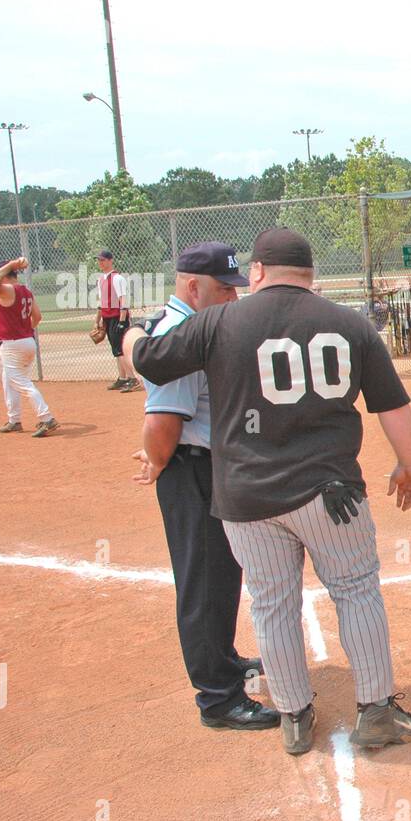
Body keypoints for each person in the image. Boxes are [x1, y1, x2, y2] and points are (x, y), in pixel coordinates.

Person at [124, 227, 411, 754]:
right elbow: (391, 405)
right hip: (330, 493)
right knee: (356, 591)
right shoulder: (349, 323)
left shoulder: (217, 321)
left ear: (259, 272)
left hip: (246, 496)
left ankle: (293, 716)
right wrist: (408, 466)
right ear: (311, 277)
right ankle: (376, 712)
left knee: (271, 604)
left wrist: (128, 334)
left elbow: (148, 360)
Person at [129, 242, 276, 733]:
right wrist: (157, 460)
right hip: (191, 469)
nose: (232, 301)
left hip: (204, 465)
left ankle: (224, 660)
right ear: (193, 287)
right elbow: (165, 420)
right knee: (203, 582)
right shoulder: (182, 335)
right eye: (222, 291)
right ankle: (218, 698)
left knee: (220, 575)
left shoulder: (188, 327)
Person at [0, 256, 58, 438]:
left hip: (13, 344)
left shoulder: (8, 290)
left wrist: (10, 264)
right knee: (9, 381)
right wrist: (24, 330)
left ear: (5, 275)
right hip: (26, 341)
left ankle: (46, 418)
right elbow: (37, 317)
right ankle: (14, 420)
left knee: (21, 383)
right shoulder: (26, 292)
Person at [94, 250, 139, 391]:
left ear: (110, 260)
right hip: (107, 318)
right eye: (99, 260)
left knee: (120, 350)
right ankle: (122, 378)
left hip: (117, 317)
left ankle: (133, 379)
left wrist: (121, 321)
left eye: (103, 260)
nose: (100, 262)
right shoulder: (101, 279)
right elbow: (101, 303)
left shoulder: (117, 278)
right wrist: (97, 320)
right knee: (116, 350)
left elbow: (123, 301)